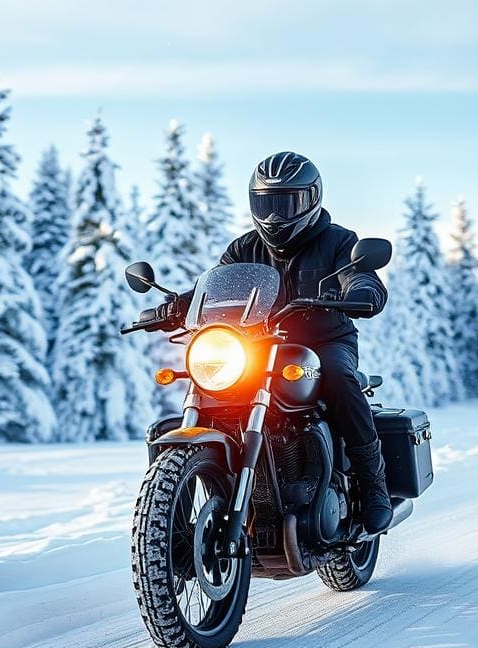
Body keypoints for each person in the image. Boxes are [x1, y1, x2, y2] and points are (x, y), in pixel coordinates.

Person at [153, 151, 392, 535]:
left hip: (323, 342)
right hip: (255, 348)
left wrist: (362, 290)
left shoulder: (338, 242)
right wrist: (177, 305)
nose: (276, 217)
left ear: (311, 200)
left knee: (341, 381)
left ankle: (373, 484)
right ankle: (170, 526)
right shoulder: (242, 249)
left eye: (287, 204)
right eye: (267, 204)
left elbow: (360, 276)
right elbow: (215, 288)